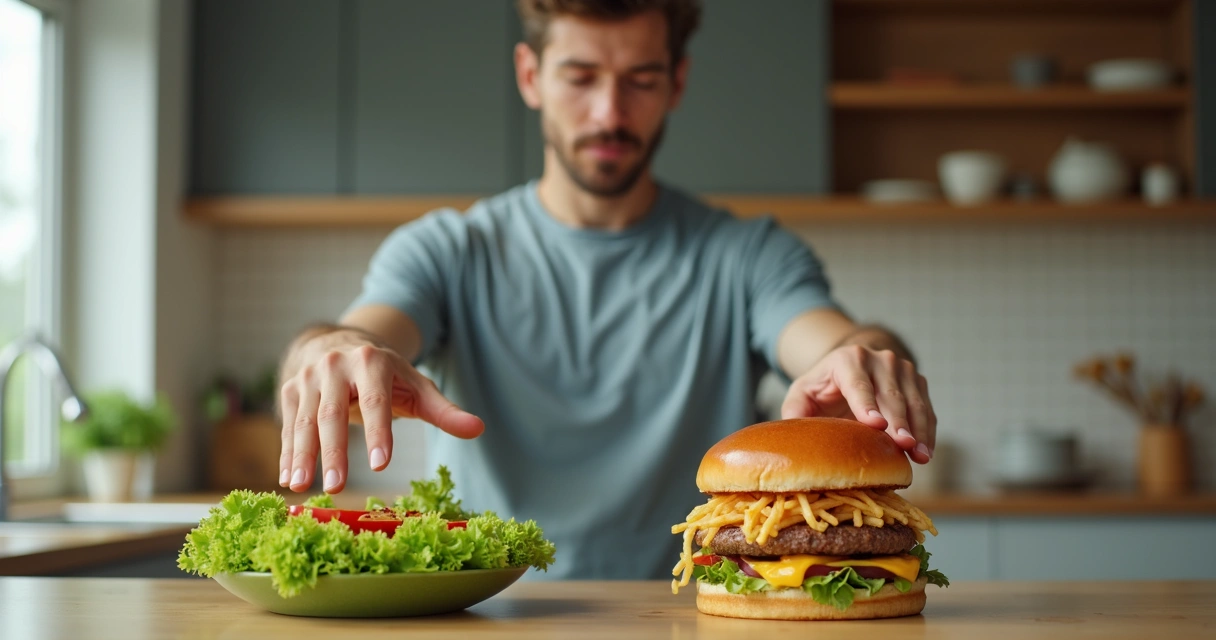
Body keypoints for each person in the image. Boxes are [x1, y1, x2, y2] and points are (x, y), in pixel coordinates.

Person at [275, 0, 936, 579]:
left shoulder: (748, 255)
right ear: (530, 77)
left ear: (677, 82)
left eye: (641, 80)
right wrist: (332, 349)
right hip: (486, 616)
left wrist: (863, 357)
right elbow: (359, 334)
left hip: (687, 617)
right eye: (580, 77)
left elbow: (832, 341)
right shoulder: (447, 251)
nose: (609, 113)